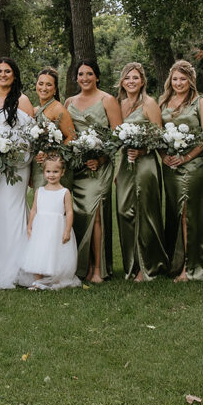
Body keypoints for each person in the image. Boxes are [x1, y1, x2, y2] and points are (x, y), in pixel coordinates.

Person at [0, 57, 36, 289]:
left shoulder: (22, 101)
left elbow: (29, 141)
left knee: (13, 214)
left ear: (15, 75)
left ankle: (17, 265)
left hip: (15, 170)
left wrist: (6, 160)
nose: (3, 75)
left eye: (7, 71)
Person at [64, 60, 122, 283]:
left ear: (97, 77)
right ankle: (81, 267)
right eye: (81, 74)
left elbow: (118, 135)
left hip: (100, 166)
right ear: (76, 78)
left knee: (95, 213)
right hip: (76, 167)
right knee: (78, 214)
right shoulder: (69, 101)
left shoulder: (107, 100)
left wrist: (100, 158)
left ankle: (98, 269)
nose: (85, 78)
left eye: (89, 74)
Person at [159, 60, 203, 282]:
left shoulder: (200, 102)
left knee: (188, 213)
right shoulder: (163, 102)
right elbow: (156, 132)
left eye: (183, 79)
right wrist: (164, 157)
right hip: (170, 166)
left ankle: (192, 267)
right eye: (175, 79)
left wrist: (187, 157)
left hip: (193, 165)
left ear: (190, 80)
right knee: (174, 212)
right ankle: (176, 263)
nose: (179, 83)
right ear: (170, 80)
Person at [114, 62, 168, 282]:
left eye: (135, 77)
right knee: (125, 212)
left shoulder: (150, 103)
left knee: (145, 213)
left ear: (143, 81)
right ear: (122, 82)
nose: (131, 81)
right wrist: (119, 168)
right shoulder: (119, 104)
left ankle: (149, 265)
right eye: (127, 78)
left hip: (145, 165)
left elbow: (159, 135)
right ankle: (131, 264)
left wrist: (143, 148)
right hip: (126, 165)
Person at [21, 154, 80, 290]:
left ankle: (56, 280)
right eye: (48, 171)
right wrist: (30, 227)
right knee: (38, 252)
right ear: (43, 172)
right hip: (41, 228)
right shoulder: (39, 191)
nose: (51, 175)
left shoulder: (64, 192)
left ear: (62, 172)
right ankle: (37, 281)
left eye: (55, 171)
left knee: (56, 253)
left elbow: (69, 212)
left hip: (57, 228)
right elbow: (34, 210)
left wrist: (67, 230)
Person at [30, 67, 76, 192]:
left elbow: (72, 137)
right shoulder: (35, 109)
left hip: (54, 167)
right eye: (41, 83)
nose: (44, 88)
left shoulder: (58, 109)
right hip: (38, 165)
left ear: (55, 89)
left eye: (49, 85)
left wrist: (52, 155)